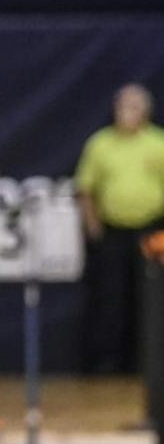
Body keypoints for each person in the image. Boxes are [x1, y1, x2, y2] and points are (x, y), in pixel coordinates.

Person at [75, 84, 164, 373]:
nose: (126, 112)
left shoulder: (158, 143)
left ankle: (147, 364)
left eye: (133, 106)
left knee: (150, 300)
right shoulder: (101, 144)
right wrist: (94, 228)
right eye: (122, 106)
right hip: (112, 232)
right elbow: (85, 189)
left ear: (146, 111)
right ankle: (107, 365)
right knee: (111, 299)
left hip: (152, 233)